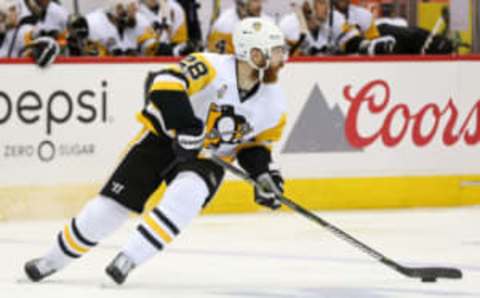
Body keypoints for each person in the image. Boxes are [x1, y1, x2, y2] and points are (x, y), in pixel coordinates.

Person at [24, 17, 289, 285]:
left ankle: (129, 258)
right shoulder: (211, 66)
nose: (283, 58)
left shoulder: (275, 103)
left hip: (208, 157)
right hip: (162, 139)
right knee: (111, 207)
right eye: (277, 51)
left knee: (189, 195)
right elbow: (164, 83)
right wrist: (186, 125)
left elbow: (255, 145)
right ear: (255, 55)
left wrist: (264, 174)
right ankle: (53, 259)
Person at [280, 0, 394, 56]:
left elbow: (352, 42)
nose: (326, 8)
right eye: (321, 2)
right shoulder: (288, 25)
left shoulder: (334, 18)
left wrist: (372, 47)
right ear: (306, 5)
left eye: (327, 2)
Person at [68, 0, 156, 56]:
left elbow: (153, 50)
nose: (135, 13)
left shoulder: (141, 21)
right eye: (131, 8)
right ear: (118, 9)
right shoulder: (91, 23)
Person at [0, 0, 59, 67]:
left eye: (2, 15)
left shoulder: (25, 30)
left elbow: (49, 43)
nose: (1, 19)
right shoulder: (8, 34)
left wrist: (34, 50)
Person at [207, 0, 274, 54]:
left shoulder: (268, 23)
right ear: (242, 3)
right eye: (255, 1)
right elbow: (216, 59)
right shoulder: (224, 25)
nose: (260, 5)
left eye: (260, 1)